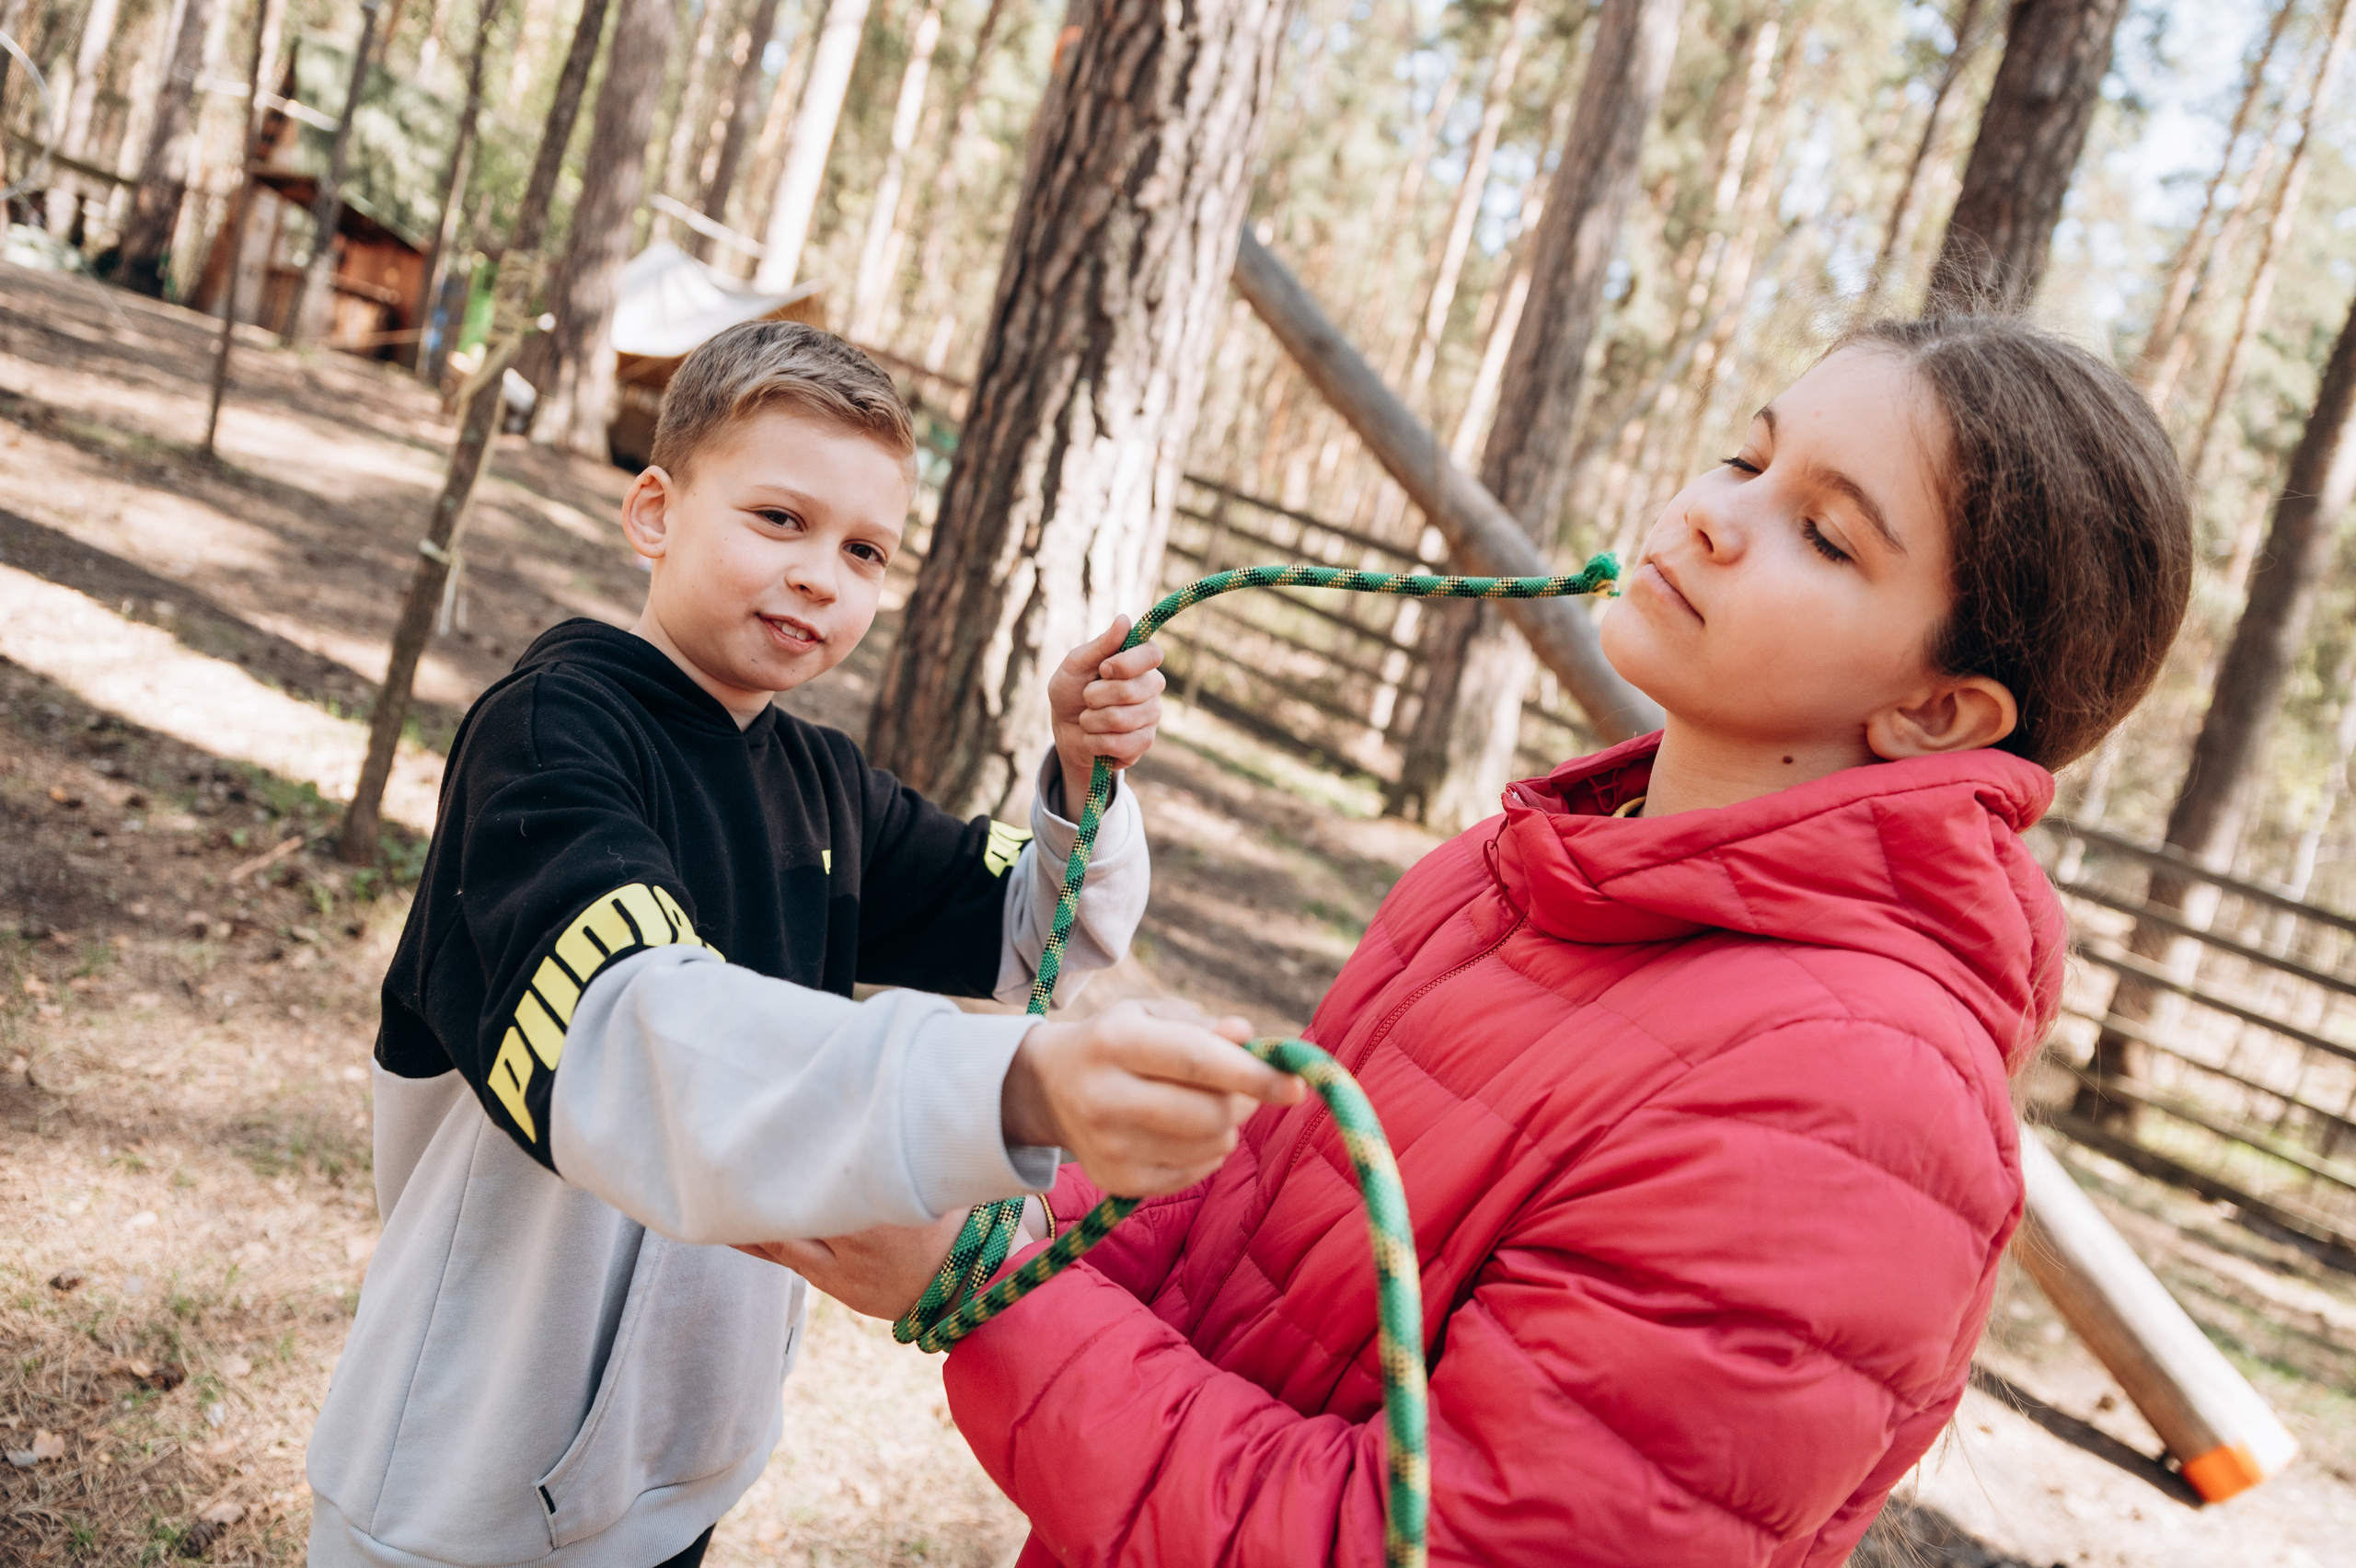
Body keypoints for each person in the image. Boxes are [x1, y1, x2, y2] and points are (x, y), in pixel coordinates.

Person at [764, 315, 2196, 1565]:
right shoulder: (1506, 882)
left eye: (1825, 533)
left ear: (1939, 713)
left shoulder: (1857, 1110)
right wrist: (992, 1158)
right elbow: (1248, 1262)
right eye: (1747, 458)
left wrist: (982, 1297)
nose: (1713, 514)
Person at [303, 321, 1303, 1567]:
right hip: (468, 1490)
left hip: (672, 1474)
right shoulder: (552, 738)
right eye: (779, 518)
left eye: (864, 549)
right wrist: (1019, 1084)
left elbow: (1036, 928)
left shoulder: (823, 783)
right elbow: (636, 1038)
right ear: (655, 512)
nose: (821, 573)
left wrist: (1085, 779)